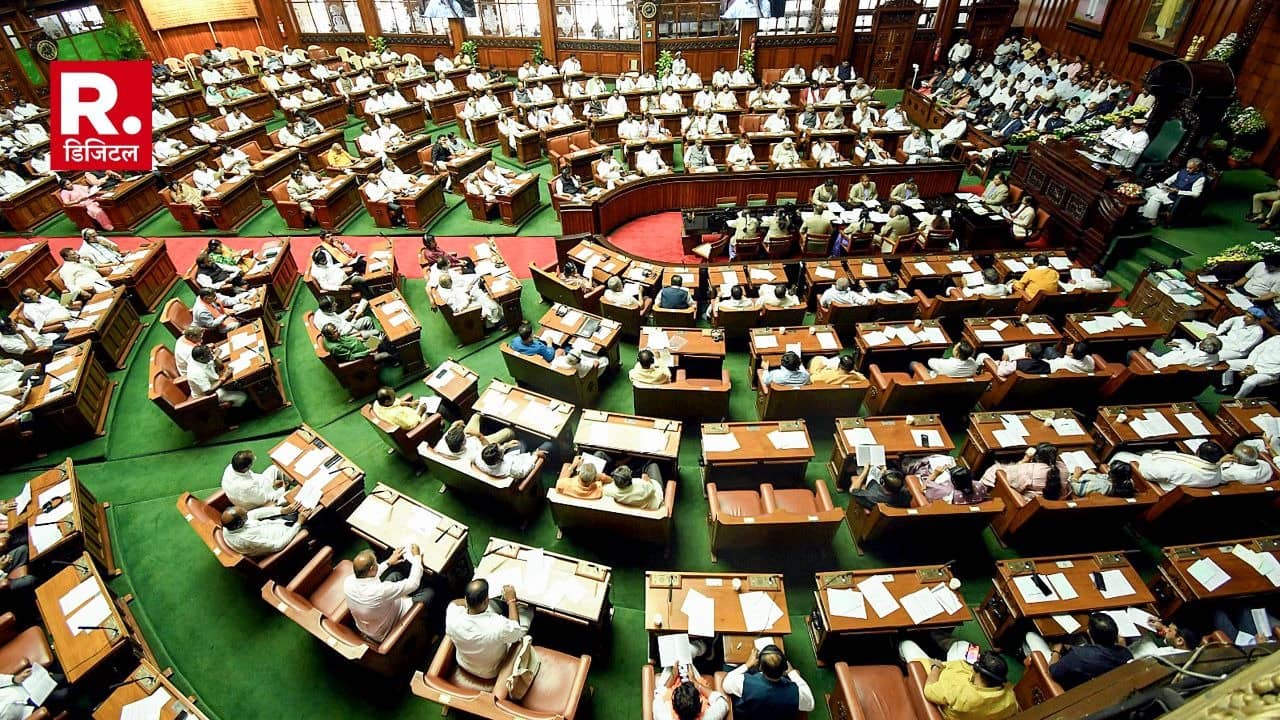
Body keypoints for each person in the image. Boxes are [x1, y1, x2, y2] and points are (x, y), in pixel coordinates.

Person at [898, 640, 1018, 720]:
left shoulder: (958, 692)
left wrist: (935, 667)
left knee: (906, 644)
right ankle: (937, 636)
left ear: (976, 669)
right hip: (958, 671)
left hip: (937, 672)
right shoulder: (1010, 700)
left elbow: (929, 690)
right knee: (963, 645)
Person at [344, 546, 433, 642]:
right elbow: (413, 584)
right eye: (376, 563)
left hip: (371, 623)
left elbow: (370, 575)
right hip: (388, 628)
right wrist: (417, 557)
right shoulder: (379, 591)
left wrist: (389, 562)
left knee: (395, 575)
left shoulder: (348, 581)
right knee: (429, 593)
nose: (377, 565)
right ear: (372, 568)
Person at [445, 579, 530, 679]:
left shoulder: (452, 616)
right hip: (490, 672)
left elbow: (454, 602)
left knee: (492, 606)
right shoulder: (498, 626)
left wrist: (472, 602)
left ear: (466, 599)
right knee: (526, 612)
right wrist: (511, 601)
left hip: (465, 663)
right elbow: (516, 630)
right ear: (486, 601)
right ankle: (527, 610)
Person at [1024, 613, 1132, 691]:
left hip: (1068, 685)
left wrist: (1056, 651)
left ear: (1089, 633)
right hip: (1093, 683)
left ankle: (1025, 654)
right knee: (1077, 639)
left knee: (1030, 635)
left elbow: (1053, 671)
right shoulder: (1126, 655)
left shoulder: (1079, 656)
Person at [721, 645, 815, 719]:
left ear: (760, 667)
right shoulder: (795, 693)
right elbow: (810, 705)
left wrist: (747, 664)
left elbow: (725, 685)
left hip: (747, 716)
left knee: (729, 664)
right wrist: (793, 673)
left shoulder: (745, 682)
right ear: (784, 669)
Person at [1110, 442, 1225, 491]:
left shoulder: (1181, 469)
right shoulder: (1217, 473)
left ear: (1197, 452)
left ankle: (1108, 478)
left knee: (1120, 454)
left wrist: (1147, 456)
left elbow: (1147, 472)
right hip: (1174, 484)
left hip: (1156, 485)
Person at [980, 442, 1067, 500]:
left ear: (1037, 456)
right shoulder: (1063, 468)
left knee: (995, 468)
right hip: (1047, 501)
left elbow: (1011, 480)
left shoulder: (1030, 469)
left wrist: (1025, 459)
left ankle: (981, 491)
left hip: (1025, 501)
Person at [220, 505, 307, 558]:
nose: (247, 512)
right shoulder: (246, 539)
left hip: (276, 524)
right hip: (285, 536)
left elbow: (255, 513)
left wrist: (281, 510)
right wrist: (298, 524)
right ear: (240, 523)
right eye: (244, 514)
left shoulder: (230, 525)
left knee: (301, 508)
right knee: (311, 522)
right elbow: (277, 545)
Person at [653, 663, 730, 720]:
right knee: (688, 664)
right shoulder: (709, 717)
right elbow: (722, 702)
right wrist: (696, 683)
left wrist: (673, 676)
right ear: (700, 703)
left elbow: (659, 693)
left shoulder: (664, 717)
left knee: (671, 666)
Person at [1139, 158, 1206, 224]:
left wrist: (1178, 192)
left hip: (1177, 196)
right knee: (1147, 191)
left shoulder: (1200, 178)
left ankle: (1152, 220)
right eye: (1187, 167)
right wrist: (1165, 184)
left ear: (1197, 168)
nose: (1187, 169)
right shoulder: (1182, 171)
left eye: (1190, 168)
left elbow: (1196, 194)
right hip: (1170, 190)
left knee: (1155, 197)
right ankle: (1143, 212)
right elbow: (1170, 179)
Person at [221, 449, 287, 510]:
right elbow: (266, 499)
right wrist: (283, 488)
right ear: (246, 468)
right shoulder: (246, 487)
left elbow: (255, 478)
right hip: (260, 503)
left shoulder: (231, 467)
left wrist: (271, 483)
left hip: (258, 486)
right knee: (287, 495)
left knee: (275, 468)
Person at [187, 344, 246, 409]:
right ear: (201, 358)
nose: (211, 356)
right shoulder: (196, 372)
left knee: (241, 383)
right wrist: (224, 377)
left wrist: (214, 356)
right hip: (208, 396)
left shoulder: (205, 358)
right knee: (242, 397)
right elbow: (208, 391)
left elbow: (221, 366)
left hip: (215, 382)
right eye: (209, 355)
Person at [473, 439, 548, 483]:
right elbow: (525, 471)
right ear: (500, 459)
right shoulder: (512, 470)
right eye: (500, 450)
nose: (501, 447)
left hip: (513, 458)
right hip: (525, 462)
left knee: (521, 442)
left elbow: (497, 453)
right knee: (548, 444)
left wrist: (505, 446)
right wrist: (535, 455)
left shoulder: (478, 459)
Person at [371, 386, 435, 431]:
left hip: (409, 414)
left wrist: (410, 404)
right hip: (416, 423)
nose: (395, 397)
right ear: (387, 402)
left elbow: (396, 402)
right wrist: (421, 412)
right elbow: (411, 425)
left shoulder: (377, 404)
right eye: (393, 397)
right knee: (435, 405)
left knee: (432, 399)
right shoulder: (395, 415)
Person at [1140, 334, 1222, 369]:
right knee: (1153, 349)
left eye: (1201, 342)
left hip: (1161, 366)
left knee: (1137, 350)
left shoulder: (1191, 357)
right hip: (1175, 362)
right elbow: (1193, 353)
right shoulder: (1215, 357)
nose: (1200, 342)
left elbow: (1162, 364)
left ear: (1203, 347)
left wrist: (1146, 354)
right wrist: (1180, 345)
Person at [1069, 461, 1137, 498]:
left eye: (1109, 468)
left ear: (1112, 475)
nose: (1107, 468)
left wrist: (1075, 476)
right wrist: (1095, 474)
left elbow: (1077, 489)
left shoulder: (1103, 487)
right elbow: (1106, 478)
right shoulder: (1125, 482)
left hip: (1075, 484)